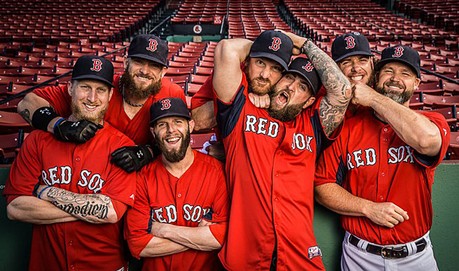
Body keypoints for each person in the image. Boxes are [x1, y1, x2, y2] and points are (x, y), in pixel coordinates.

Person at [213, 30, 352, 270]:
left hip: (299, 256)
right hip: (245, 256)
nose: (291, 86)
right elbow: (227, 49)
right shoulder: (241, 110)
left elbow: (342, 92)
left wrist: (305, 44)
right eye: (288, 77)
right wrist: (281, 47)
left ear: (309, 101)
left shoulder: (313, 125)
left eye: (302, 87)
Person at [314, 45, 451, 270]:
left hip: (417, 258)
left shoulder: (432, 121)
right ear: (377, 77)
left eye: (405, 73)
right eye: (388, 71)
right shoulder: (348, 128)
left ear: (417, 83)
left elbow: (426, 141)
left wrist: (374, 99)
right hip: (360, 255)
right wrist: (367, 208)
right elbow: (321, 185)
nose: (395, 78)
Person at [3, 55, 138, 270]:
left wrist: (44, 192)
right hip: (48, 264)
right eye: (85, 87)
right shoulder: (38, 140)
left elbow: (111, 212)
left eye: (101, 90)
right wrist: (91, 209)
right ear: (70, 88)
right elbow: (16, 208)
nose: (92, 97)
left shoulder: (123, 148)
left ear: (111, 95)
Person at [17, 34, 186, 172]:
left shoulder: (172, 94)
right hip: (93, 172)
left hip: (145, 175)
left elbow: (179, 139)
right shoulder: (100, 89)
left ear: (163, 72)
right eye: (139, 62)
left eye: (154, 66)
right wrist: (58, 125)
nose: (145, 71)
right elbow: (27, 102)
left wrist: (148, 152)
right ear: (126, 63)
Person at [124, 97, 228, 271]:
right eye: (162, 124)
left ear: (191, 125)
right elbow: (137, 244)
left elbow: (222, 237)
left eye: (178, 122)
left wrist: (163, 229)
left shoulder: (216, 172)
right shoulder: (142, 177)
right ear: (153, 131)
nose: (171, 130)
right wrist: (200, 237)